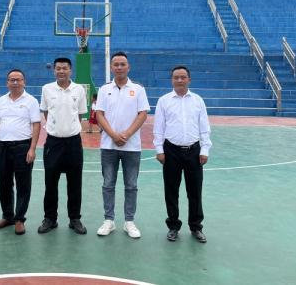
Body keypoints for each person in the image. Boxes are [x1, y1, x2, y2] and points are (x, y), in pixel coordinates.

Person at [153, 65, 212, 243]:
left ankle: (196, 227)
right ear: (172, 80)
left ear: (189, 80)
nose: (179, 80)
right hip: (171, 151)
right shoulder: (164, 101)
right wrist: (159, 150)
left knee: (195, 191)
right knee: (171, 191)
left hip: (194, 151)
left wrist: (205, 149)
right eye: (176, 77)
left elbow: (204, 127)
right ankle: (173, 226)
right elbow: (158, 128)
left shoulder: (198, 100)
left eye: (183, 77)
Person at [95, 52, 150, 239]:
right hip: (108, 146)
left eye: (122, 64)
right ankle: (109, 220)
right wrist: (113, 135)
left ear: (128, 67)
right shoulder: (104, 89)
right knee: (108, 184)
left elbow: (142, 114)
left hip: (131, 147)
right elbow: (99, 114)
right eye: (116, 64)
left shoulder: (138, 89)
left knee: (131, 185)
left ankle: (129, 221)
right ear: (111, 67)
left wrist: (126, 134)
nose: (119, 67)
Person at [37, 57, 88, 235]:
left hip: (73, 142)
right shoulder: (47, 89)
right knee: (51, 183)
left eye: (64, 68)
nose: (61, 71)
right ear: (54, 71)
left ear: (70, 70)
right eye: (58, 68)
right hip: (53, 142)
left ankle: (75, 219)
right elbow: (45, 112)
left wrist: (69, 129)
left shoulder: (79, 89)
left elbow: (80, 114)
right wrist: (57, 128)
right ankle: (50, 218)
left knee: (75, 183)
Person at [0, 69, 41, 235]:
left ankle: (19, 219)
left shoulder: (31, 101)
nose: (15, 82)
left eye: (18, 79)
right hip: (3, 147)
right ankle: (7, 216)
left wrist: (32, 148)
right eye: (11, 79)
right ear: (7, 83)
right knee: (4, 183)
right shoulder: (1, 101)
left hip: (23, 147)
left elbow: (36, 124)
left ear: (24, 82)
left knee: (23, 184)